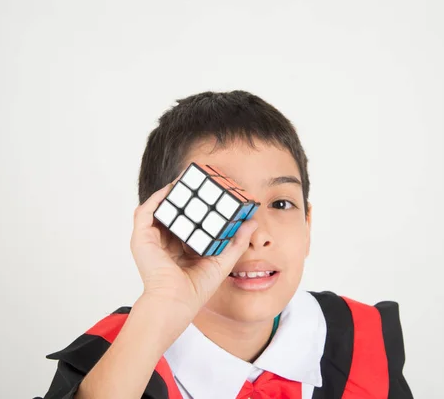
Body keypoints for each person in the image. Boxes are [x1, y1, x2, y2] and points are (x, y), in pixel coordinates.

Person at [35, 91, 414, 399]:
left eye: (281, 203)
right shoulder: (112, 360)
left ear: (308, 224)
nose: (255, 234)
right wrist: (162, 304)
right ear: (164, 224)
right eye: (229, 206)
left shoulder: (359, 340)